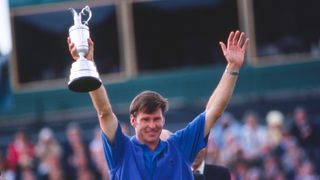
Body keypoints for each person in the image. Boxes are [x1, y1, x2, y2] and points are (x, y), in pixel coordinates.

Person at [67, 30, 249, 179]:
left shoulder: (179, 146)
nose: (152, 125)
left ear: (163, 120)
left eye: (156, 119)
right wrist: (87, 64)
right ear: (133, 121)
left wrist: (232, 67)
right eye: (145, 119)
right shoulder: (121, 151)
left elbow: (214, 111)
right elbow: (104, 112)